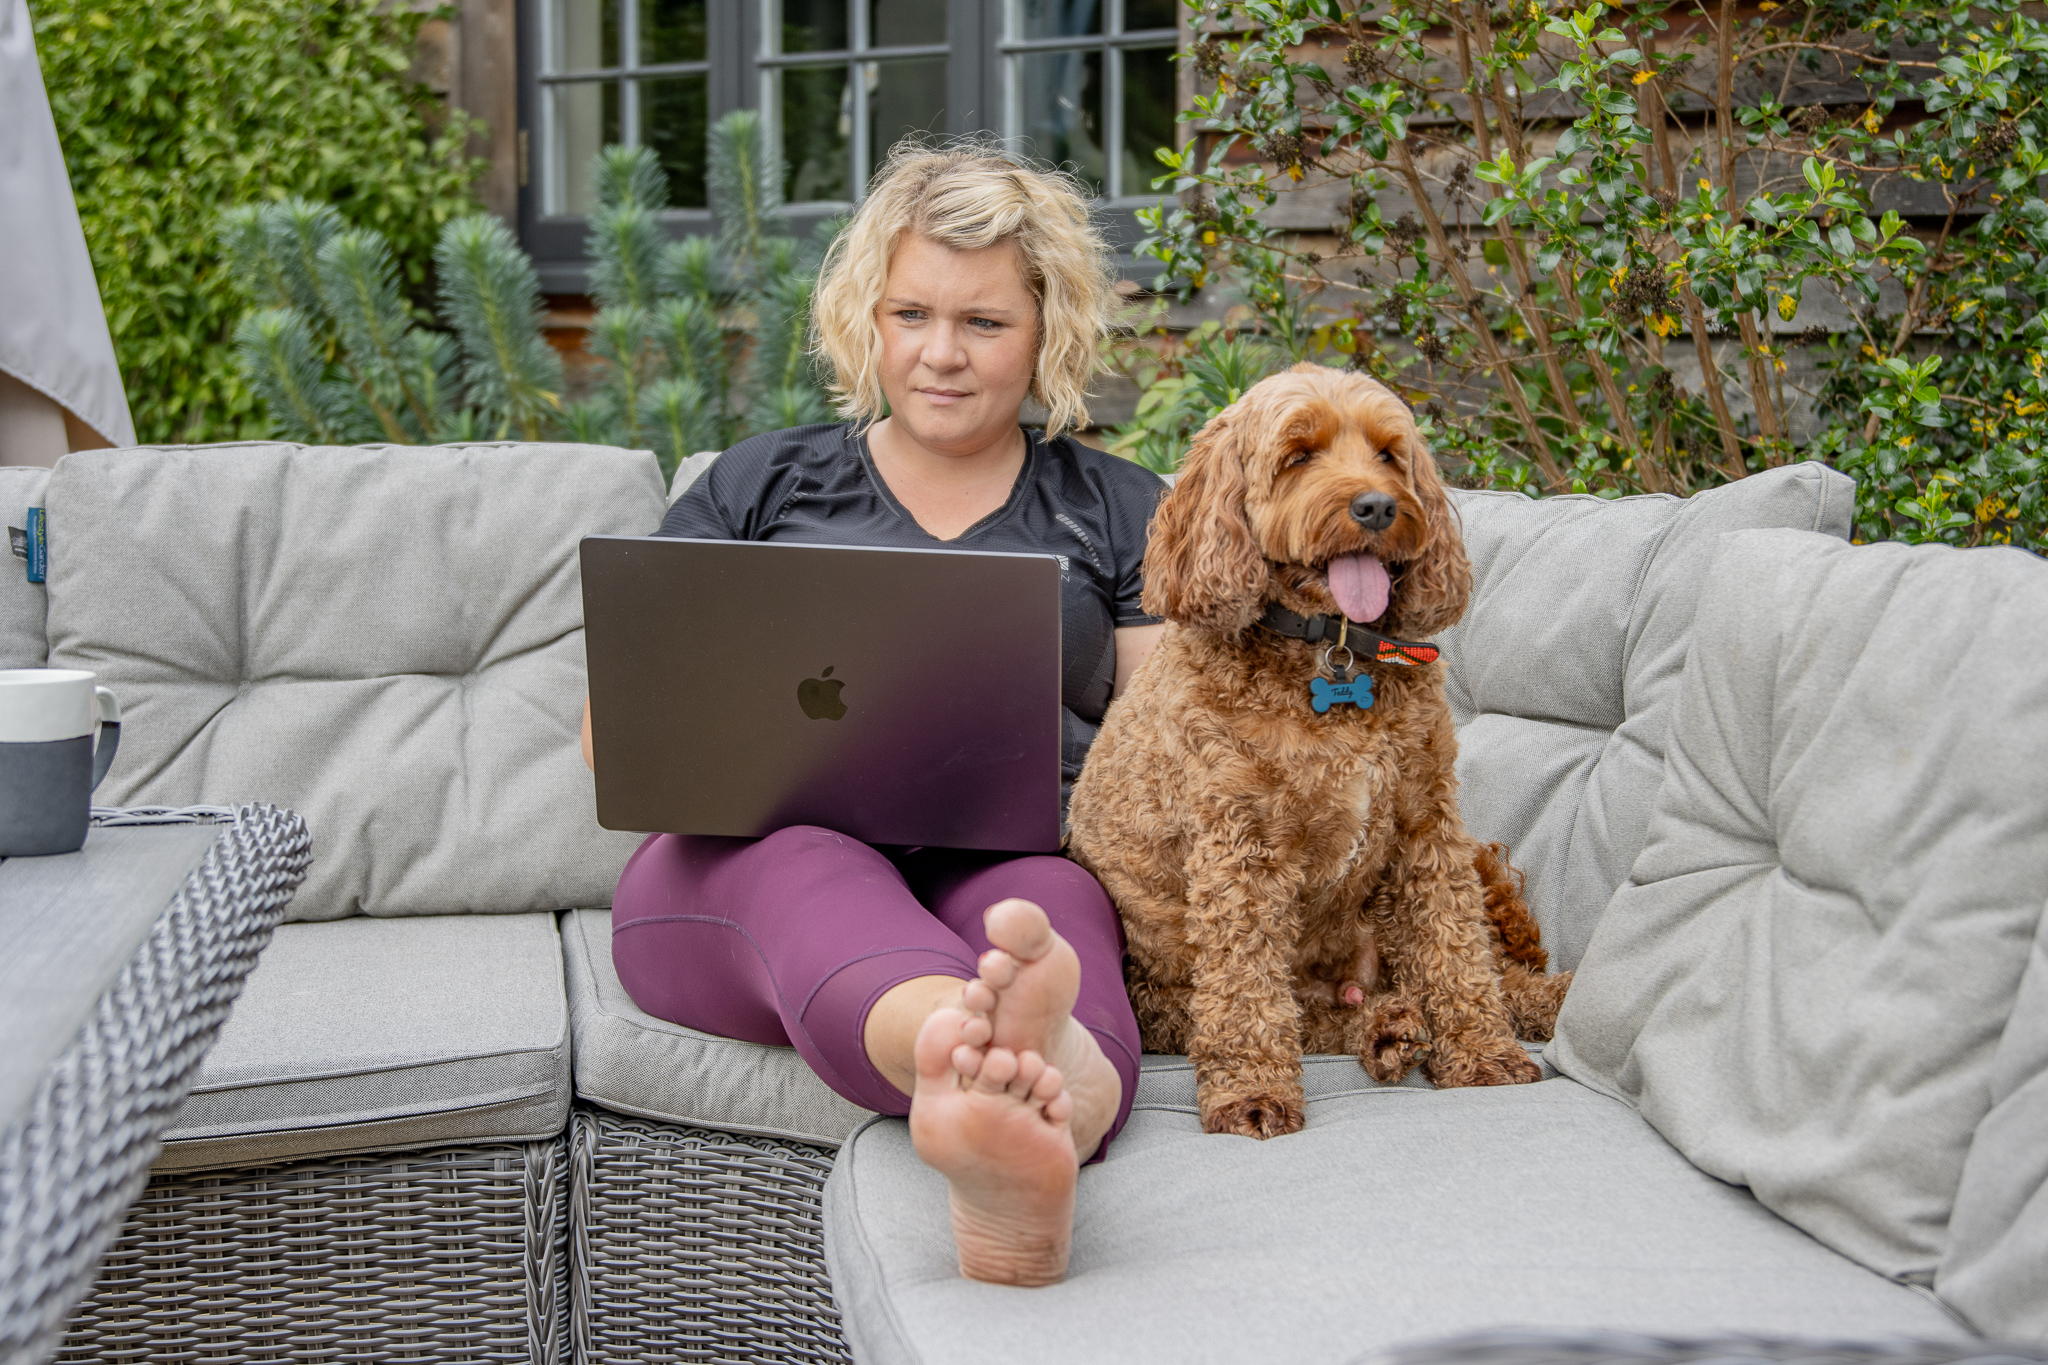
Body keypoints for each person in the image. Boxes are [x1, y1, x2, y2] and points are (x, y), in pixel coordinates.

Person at [581, 143, 1167, 1287]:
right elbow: (619, 741)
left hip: (1013, 855)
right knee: (808, 862)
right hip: (742, 869)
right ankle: (967, 1057)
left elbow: (1166, 763)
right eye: (910, 313)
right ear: (869, 317)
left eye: (983, 324)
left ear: (1047, 330)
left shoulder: (1118, 507)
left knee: (1046, 915)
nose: (939, 355)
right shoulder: (757, 485)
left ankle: (1047, 1110)